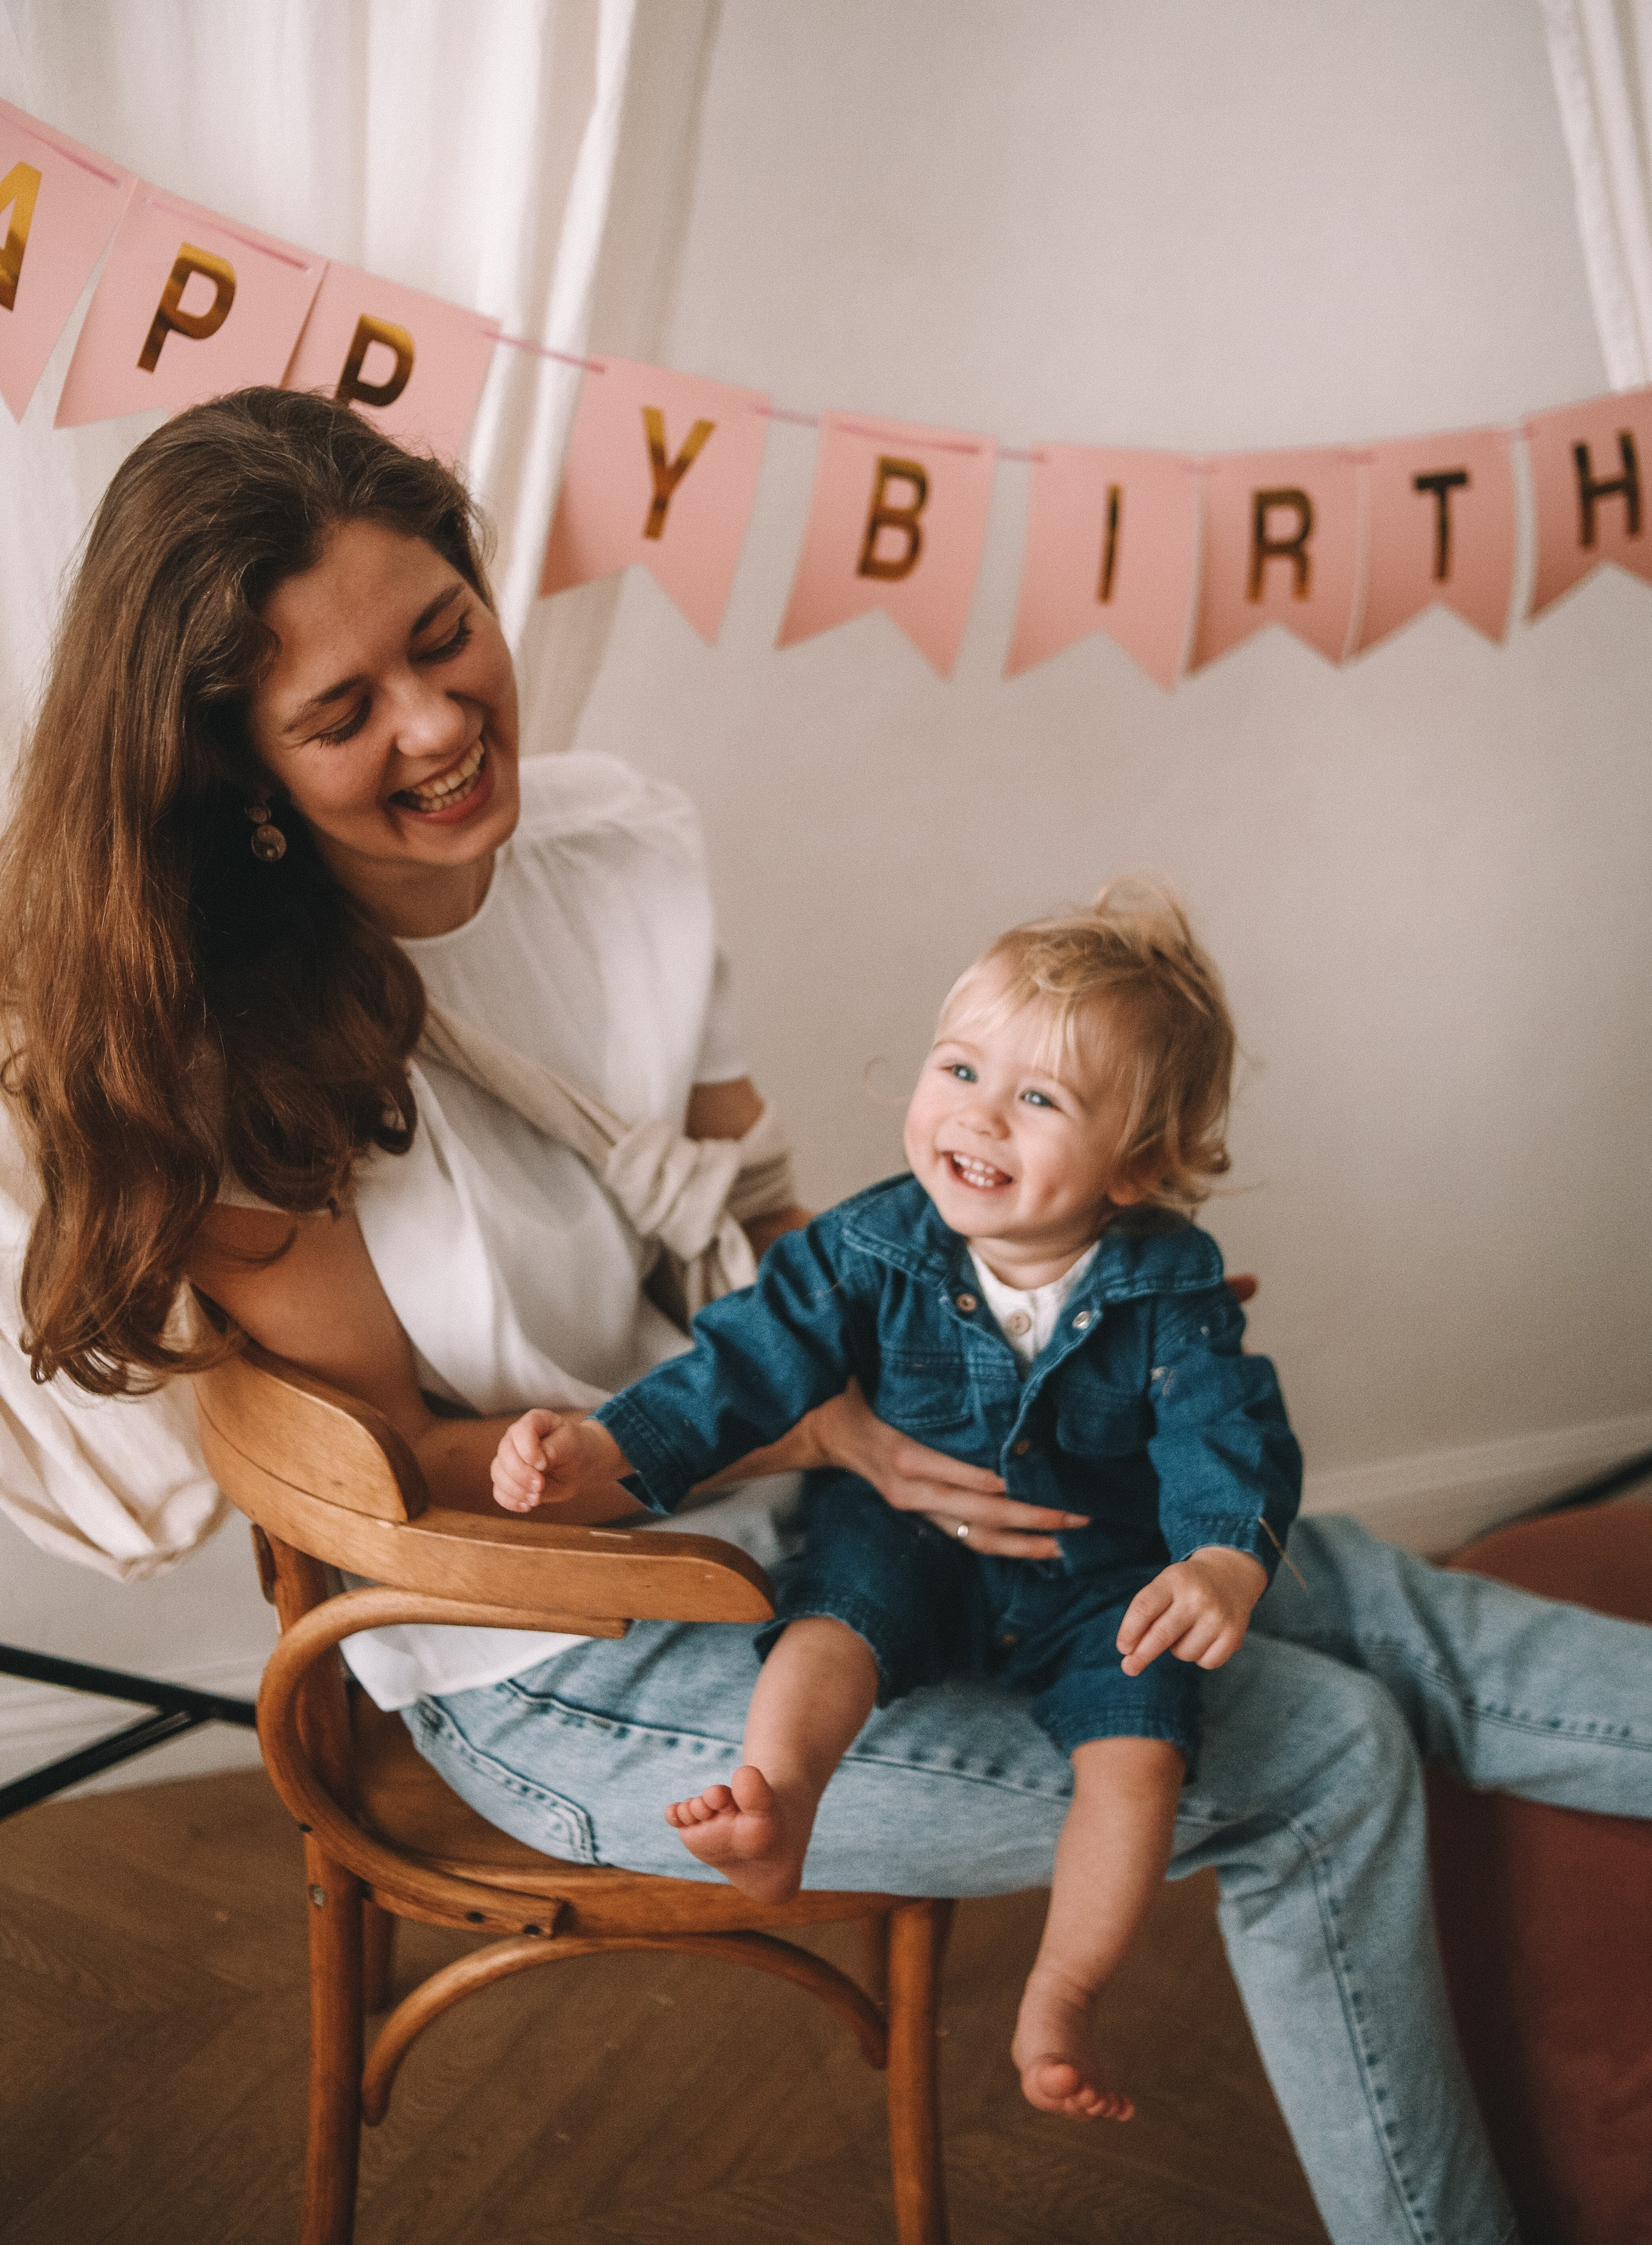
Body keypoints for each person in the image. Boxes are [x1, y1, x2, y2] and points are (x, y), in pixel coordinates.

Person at [1, 383, 1646, 2245]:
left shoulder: (616, 853)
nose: (445, 723)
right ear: (235, 770)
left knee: (1345, 1590)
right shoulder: (227, 1065)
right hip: (569, 1658)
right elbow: (412, 1485)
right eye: (345, 710)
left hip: (831, 1514)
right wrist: (813, 1425)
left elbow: (771, 1234)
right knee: (1318, 1756)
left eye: (445, 633)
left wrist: (1036, 1303)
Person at [490, 887, 1302, 2122]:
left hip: (1098, 1571)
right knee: (830, 1627)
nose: (978, 1114)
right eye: (961, 1068)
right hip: (904, 1533)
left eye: (1038, 1099)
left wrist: (1221, 1561)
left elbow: (1223, 1432)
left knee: (1141, 1757)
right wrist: (601, 1446)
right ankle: (780, 1809)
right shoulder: (867, 1248)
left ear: (1137, 1167)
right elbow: (738, 1368)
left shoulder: (1169, 1285)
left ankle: (1065, 1993)